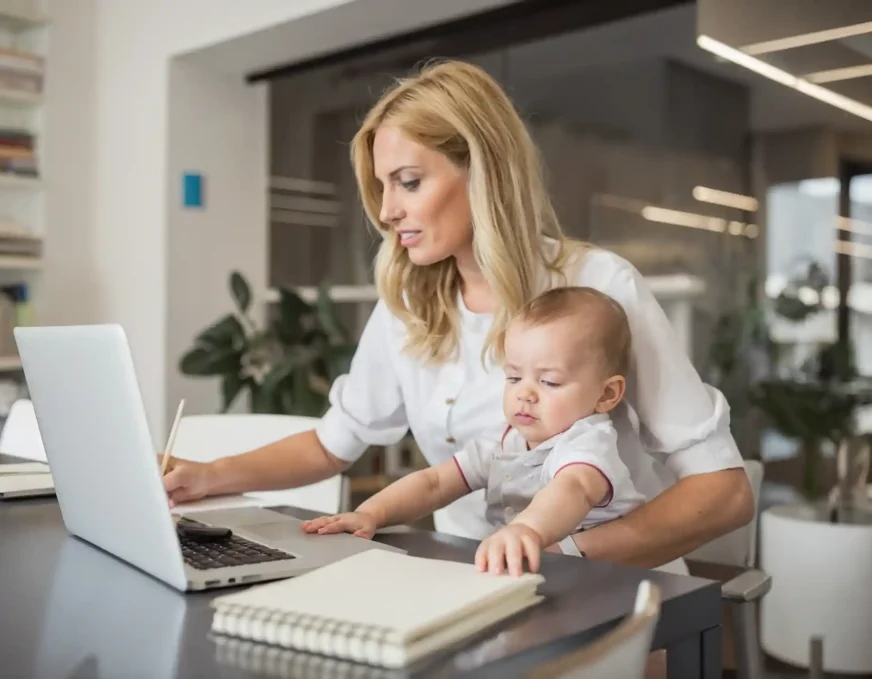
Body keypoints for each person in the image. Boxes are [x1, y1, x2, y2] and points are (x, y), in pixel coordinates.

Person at [162, 59, 754, 573]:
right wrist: (208, 476)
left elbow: (724, 494)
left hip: (602, 583)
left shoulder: (599, 287)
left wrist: (564, 558)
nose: (388, 211)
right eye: (382, 187)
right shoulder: (411, 305)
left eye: (409, 182)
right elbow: (333, 443)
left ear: (482, 171)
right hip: (464, 577)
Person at [301, 286, 653, 576]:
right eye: (514, 377)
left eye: (549, 381)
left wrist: (526, 530)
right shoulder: (503, 440)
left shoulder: (588, 442)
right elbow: (435, 483)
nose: (525, 393)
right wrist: (372, 514)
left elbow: (572, 488)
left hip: (616, 579)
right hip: (552, 573)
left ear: (607, 394)